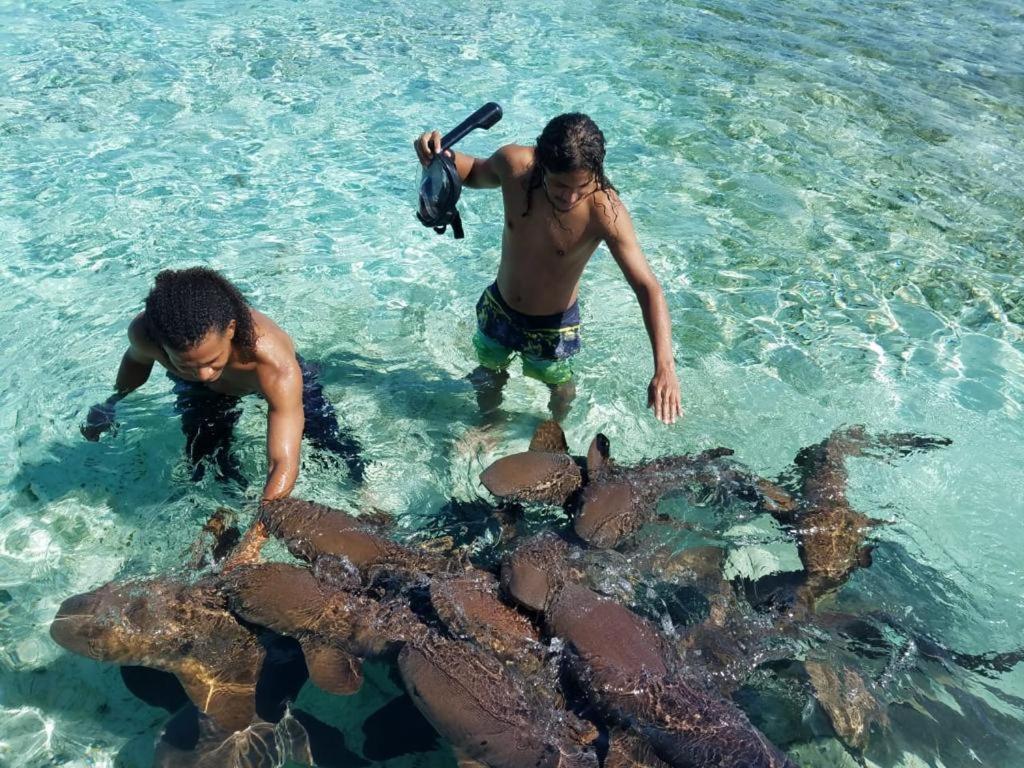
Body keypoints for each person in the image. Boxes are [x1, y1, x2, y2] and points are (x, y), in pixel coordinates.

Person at [414, 112, 682, 423]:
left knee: (561, 389)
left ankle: (555, 433)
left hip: (553, 329)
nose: (569, 197)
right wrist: (436, 154)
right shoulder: (515, 166)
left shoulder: (605, 211)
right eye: (559, 185)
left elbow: (647, 287)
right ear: (540, 161)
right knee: (488, 373)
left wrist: (665, 367)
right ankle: (490, 423)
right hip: (499, 308)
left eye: (581, 186)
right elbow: (472, 170)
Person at [80, 267, 364, 500]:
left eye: (213, 360)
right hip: (204, 397)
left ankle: (364, 493)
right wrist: (112, 403)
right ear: (162, 346)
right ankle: (226, 512)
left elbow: (281, 461)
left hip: (268, 382)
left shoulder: (271, 362)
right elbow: (136, 362)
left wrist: (257, 538)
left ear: (230, 330)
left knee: (330, 441)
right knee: (204, 462)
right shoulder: (146, 334)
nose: (204, 374)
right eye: (186, 364)